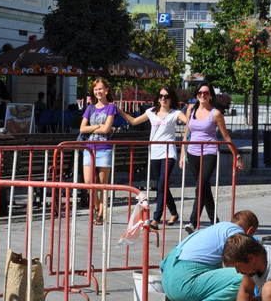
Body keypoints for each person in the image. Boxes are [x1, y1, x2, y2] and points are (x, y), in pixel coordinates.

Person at [160, 210, 259, 301]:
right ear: (249, 230)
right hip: (184, 282)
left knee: (219, 273)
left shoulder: (212, 230)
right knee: (245, 277)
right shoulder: (235, 232)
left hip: (168, 281)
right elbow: (243, 264)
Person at [120, 85, 189, 228]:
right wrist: (118, 110)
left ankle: (156, 218)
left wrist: (192, 113)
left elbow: (190, 122)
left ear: (171, 99)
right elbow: (133, 121)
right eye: (161, 96)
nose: (163, 99)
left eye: (166, 96)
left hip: (168, 152)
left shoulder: (174, 113)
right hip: (155, 153)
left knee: (161, 185)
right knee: (161, 185)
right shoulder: (151, 112)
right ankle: (174, 212)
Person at [180, 82, 241, 234]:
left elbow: (226, 137)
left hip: (209, 152)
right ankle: (215, 220)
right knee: (204, 187)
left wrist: (236, 156)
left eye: (206, 93)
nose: (202, 95)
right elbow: (186, 133)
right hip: (192, 152)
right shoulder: (190, 111)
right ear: (196, 94)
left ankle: (193, 222)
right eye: (200, 92)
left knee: (200, 186)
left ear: (210, 95)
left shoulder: (216, 114)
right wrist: (182, 153)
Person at [79, 78, 118, 225]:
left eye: (100, 89)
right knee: (89, 182)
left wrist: (95, 127)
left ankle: (101, 213)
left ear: (106, 90)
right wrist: (97, 127)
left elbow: (106, 129)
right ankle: (98, 207)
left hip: (104, 148)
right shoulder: (90, 108)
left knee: (102, 184)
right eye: (96, 89)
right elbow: (82, 128)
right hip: (89, 148)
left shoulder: (111, 107)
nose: (98, 92)